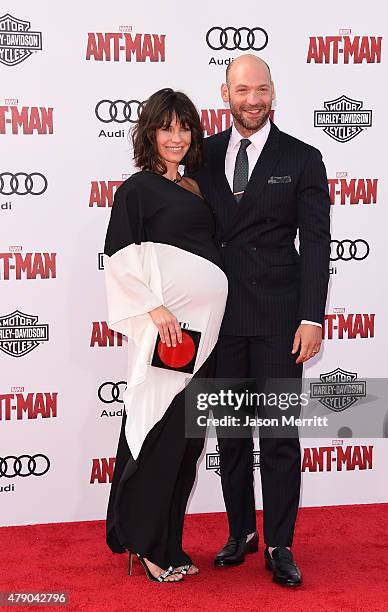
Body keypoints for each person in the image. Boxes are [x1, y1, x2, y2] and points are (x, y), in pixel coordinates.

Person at [191, 55, 331, 586]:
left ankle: (279, 543)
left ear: (275, 93)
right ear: (224, 92)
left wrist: (311, 317)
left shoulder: (303, 158)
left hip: (278, 319)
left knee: (276, 437)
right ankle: (240, 533)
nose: (253, 100)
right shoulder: (201, 157)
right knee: (229, 436)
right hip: (221, 319)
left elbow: (316, 243)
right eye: (243, 89)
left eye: (263, 90)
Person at [103, 88, 228, 582]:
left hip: (208, 338)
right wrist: (155, 309)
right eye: (166, 127)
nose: (176, 137)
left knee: (188, 443)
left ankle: (169, 543)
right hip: (173, 338)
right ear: (150, 133)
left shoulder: (195, 188)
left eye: (184, 128)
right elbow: (118, 257)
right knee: (162, 435)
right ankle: (148, 545)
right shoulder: (136, 190)